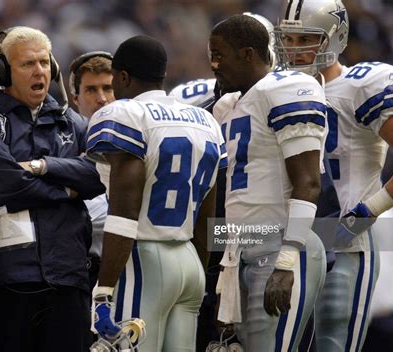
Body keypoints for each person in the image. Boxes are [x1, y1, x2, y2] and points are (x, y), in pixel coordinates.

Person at [0, 26, 105, 352]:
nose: (39, 71)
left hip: (67, 279)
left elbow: (98, 174)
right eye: (27, 64)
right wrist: (64, 190)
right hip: (1, 283)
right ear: (2, 71)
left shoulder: (71, 122)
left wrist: (40, 167)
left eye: (44, 63)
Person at [86, 35, 226, 351]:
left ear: (122, 77)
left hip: (143, 258)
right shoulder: (205, 120)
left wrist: (104, 288)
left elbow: (125, 210)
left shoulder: (126, 115)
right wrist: (199, 271)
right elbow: (209, 213)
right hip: (189, 261)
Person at [274, 0, 393, 350]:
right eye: (289, 39)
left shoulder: (360, 85)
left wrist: (371, 209)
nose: (293, 50)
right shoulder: (275, 89)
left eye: (305, 40)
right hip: (286, 241)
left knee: (332, 344)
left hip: (344, 239)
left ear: (335, 38)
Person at [210, 14, 327, 351]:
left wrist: (287, 261)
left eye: (220, 55)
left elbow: (308, 181)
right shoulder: (228, 106)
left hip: (280, 245)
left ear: (248, 54)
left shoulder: (287, 88)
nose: (214, 65)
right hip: (240, 248)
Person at [69, 51, 114, 290]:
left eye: (108, 88)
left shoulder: (145, 140)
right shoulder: (60, 147)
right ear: (76, 99)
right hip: (80, 277)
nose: (102, 98)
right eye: (91, 90)